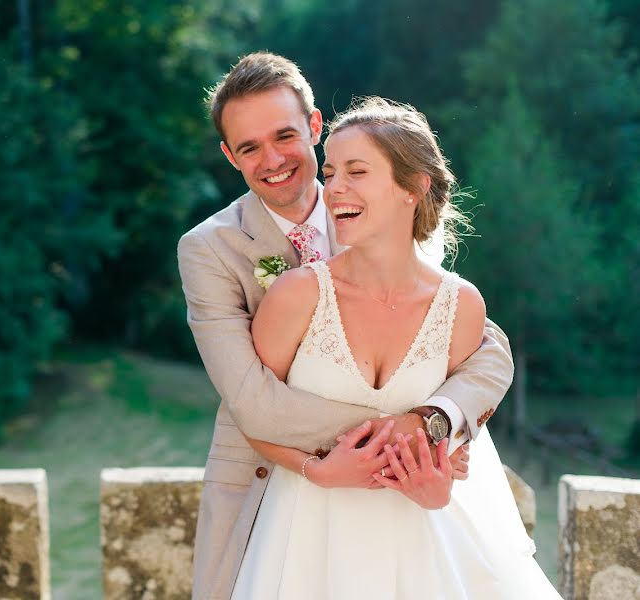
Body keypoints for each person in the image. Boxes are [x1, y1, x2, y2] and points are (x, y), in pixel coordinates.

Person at [177, 53, 514, 600]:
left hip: (406, 507)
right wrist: (408, 437)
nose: (273, 159)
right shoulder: (208, 249)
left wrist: (440, 418)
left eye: (284, 136)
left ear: (314, 126)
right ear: (229, 156)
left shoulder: (382, 203)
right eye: (249, 147)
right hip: (270, 487)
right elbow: (250, 399)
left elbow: (485, 344)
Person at [229, 96, 561, 598]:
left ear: (414, 187)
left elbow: (457, 441)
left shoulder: (461, 305)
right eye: (333, 170)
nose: (334, 186)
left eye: (357, 171)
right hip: (306, 535)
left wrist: (440, 486)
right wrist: (313, 469)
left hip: (424, 543)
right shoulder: (296, 295)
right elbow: (251, 415)